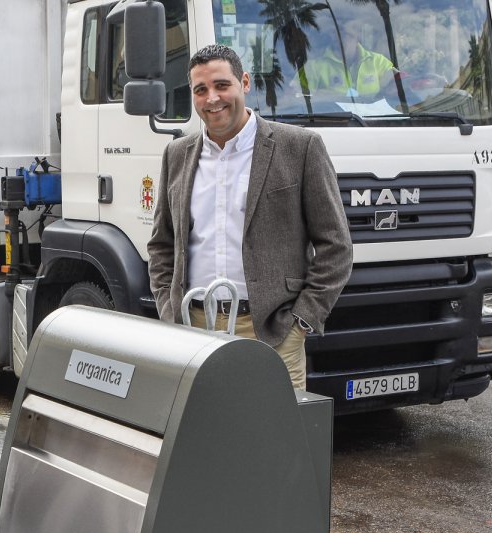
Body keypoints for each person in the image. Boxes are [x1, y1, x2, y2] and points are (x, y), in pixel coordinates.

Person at [148, 44, 353, 390]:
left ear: (244, 83)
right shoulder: (177, 154)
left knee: (273, 439)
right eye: (201, 90)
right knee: (206, 437)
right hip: (194, 329)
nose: (212, 98)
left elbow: (336, 247)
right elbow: (162, 245)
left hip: (272, 332)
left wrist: (301, 321)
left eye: (221, 85)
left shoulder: (300, 148)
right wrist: (170, 311)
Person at [303, 19, 395, 100]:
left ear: (357, 35)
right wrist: (321, 96)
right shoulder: (313, 67)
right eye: (334, 32)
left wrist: (385, 94)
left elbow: (401, 81)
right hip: (331, 119)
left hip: (376, 118)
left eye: (343, 32)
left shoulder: (377, 61)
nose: (337, 37)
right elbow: (293, 96)